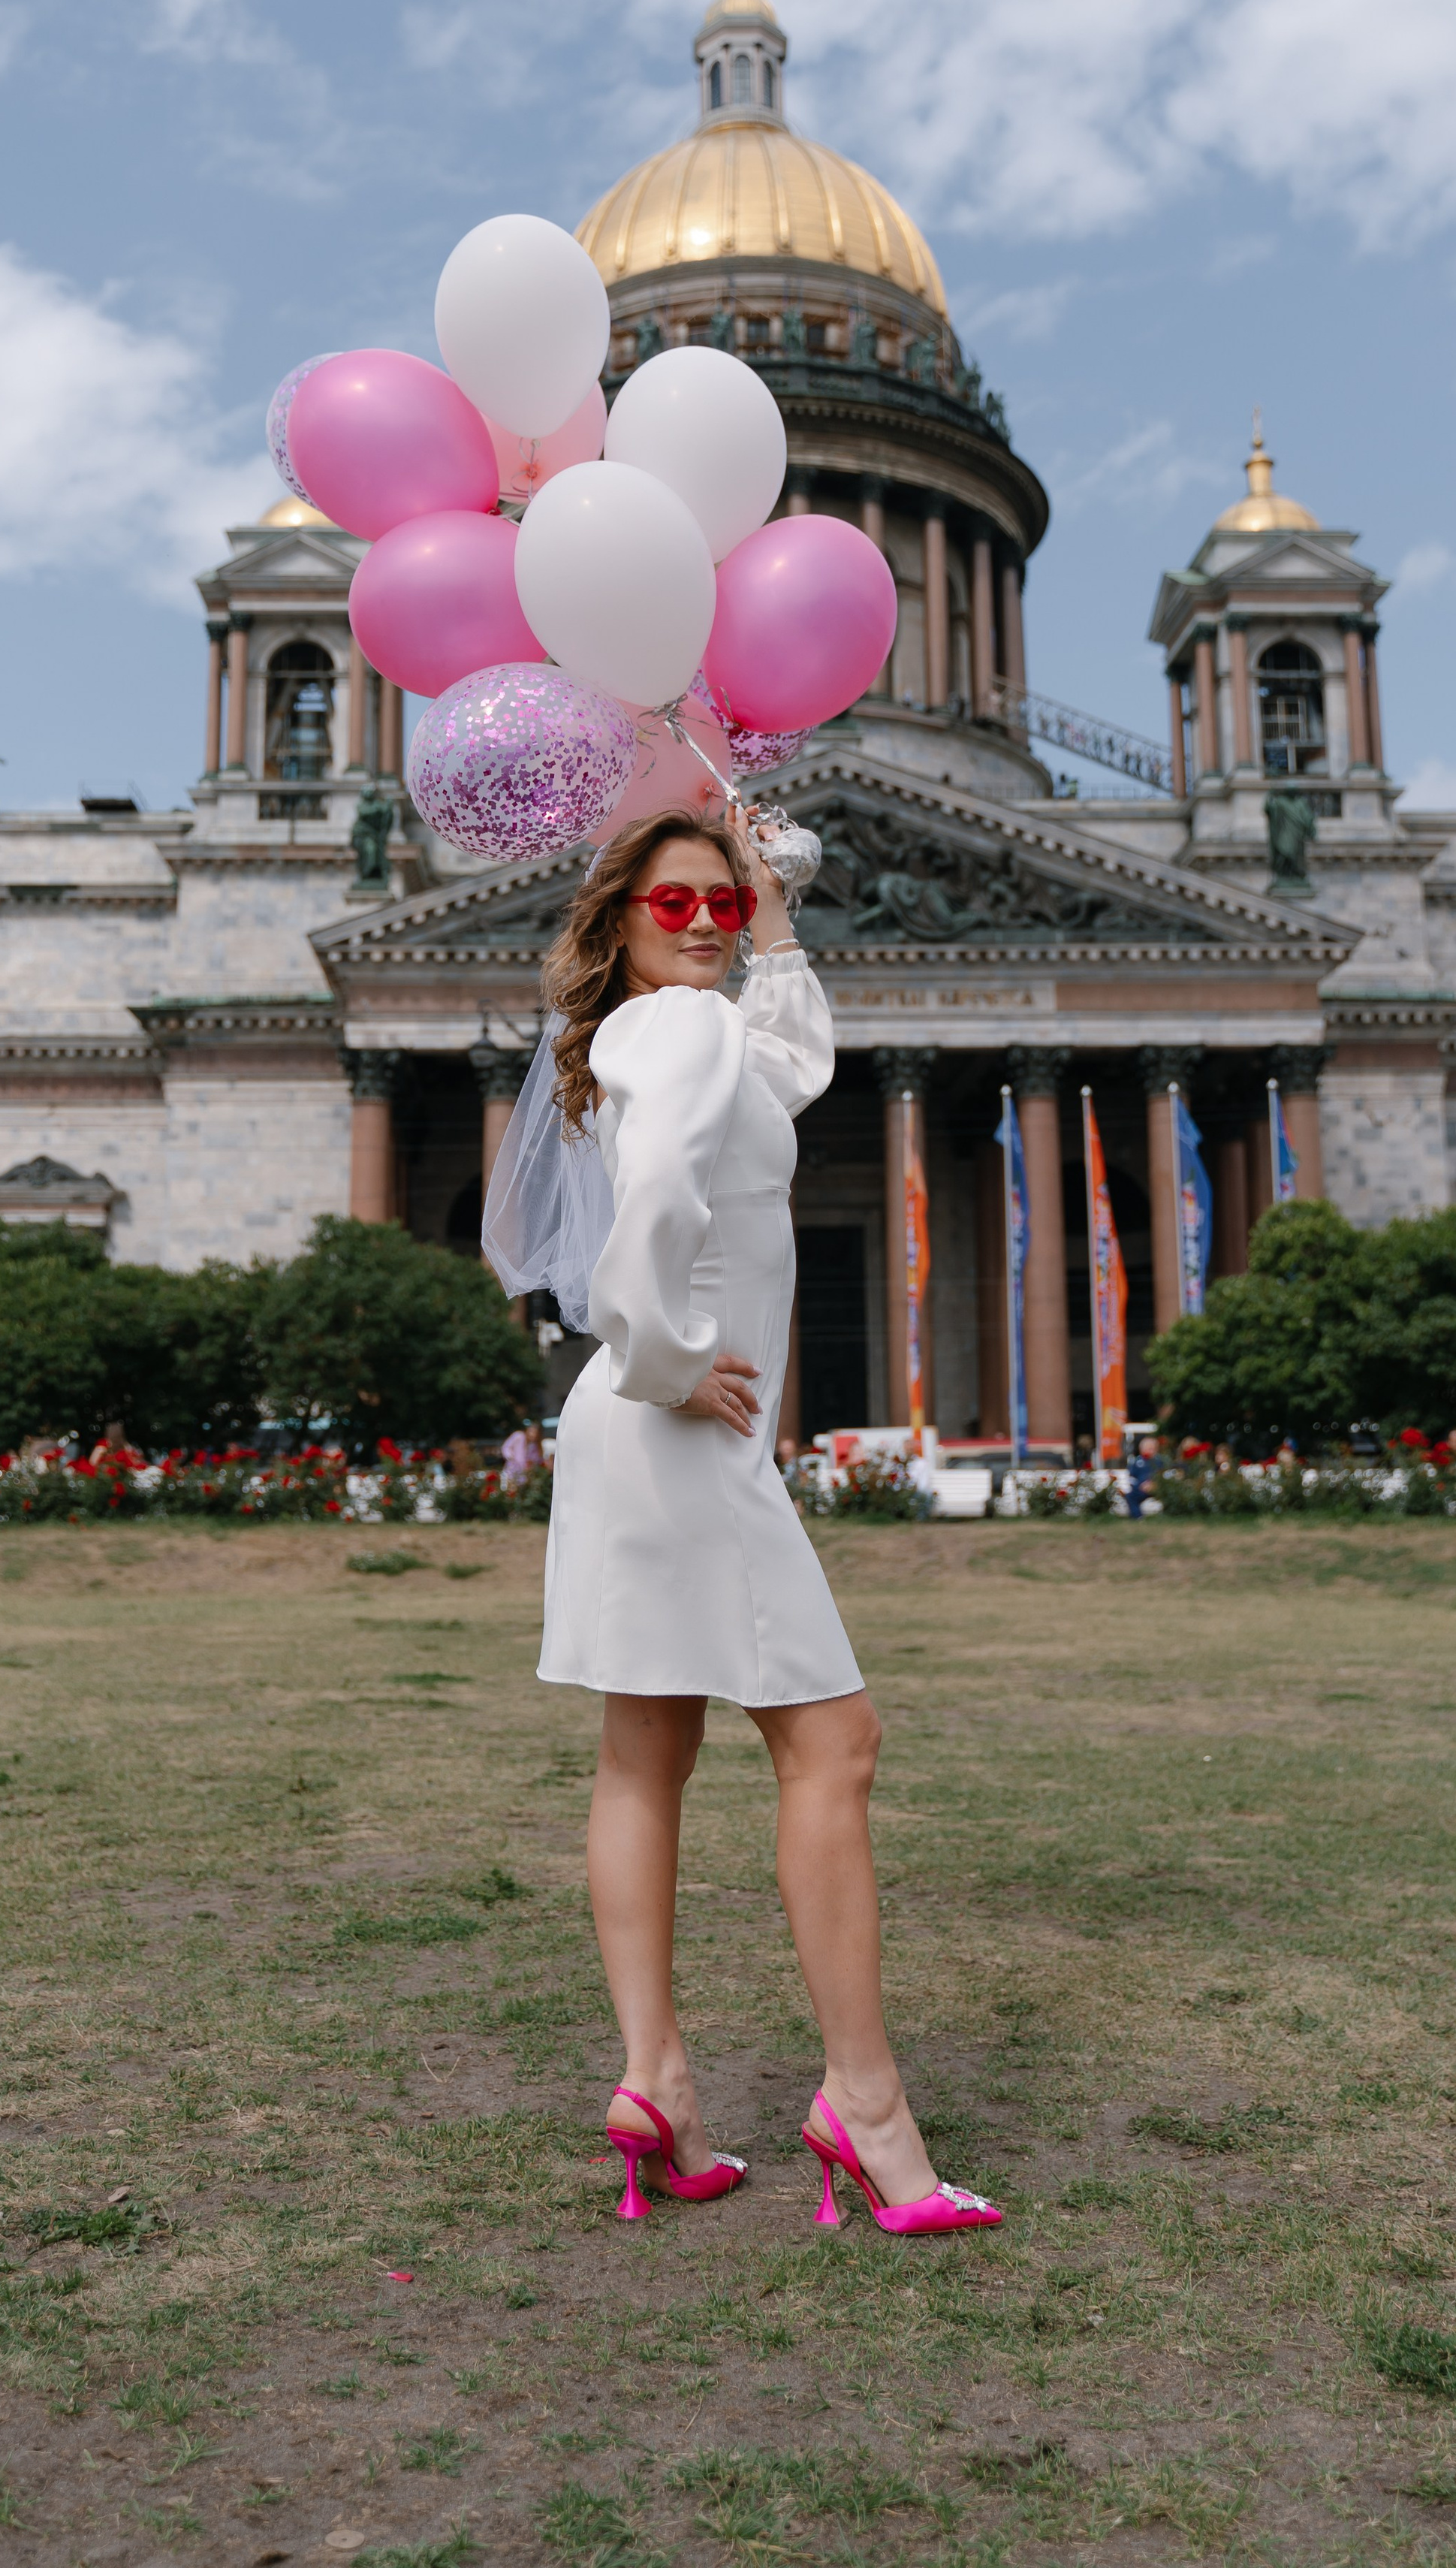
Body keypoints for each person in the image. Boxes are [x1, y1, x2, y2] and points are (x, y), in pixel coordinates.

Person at [521, 801, 999, 2237]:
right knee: (833, 1742)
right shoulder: (676, 1034)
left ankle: (655, 2081)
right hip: (678, 1427)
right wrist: (664, 1352)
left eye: (727, 904)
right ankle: (865, 2107)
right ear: (618, 923)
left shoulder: (669, 1031)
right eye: (680, 906)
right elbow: (657, 1195)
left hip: (628, 1434)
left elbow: (788, 1065)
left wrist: (773, 909)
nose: (712, 924)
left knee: (644, 1751)